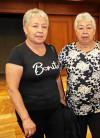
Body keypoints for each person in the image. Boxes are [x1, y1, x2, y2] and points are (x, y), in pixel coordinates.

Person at [5, 8, 66, 138]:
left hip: (55, 110)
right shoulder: (18, 53)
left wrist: (62, 100)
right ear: (25, 29)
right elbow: (12, 89)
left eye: (44, 26)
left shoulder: (51, 49)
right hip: (31, 113)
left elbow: (56, 77)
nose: (40, 30)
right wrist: (25, 119)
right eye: (35, 26)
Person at [58, 12, 100, 138]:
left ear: (94, 30)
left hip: (98, 107)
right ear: (75, 31)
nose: (85, 31)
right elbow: (54, 74)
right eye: (81, 28)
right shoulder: (67, 50)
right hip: (74, 108)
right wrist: (61, 98)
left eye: (88, 27)